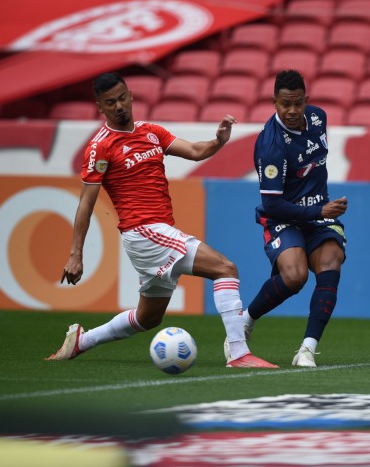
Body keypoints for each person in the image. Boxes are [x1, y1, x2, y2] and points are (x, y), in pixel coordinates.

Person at [47, 72, 277, 369]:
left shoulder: (151, 132)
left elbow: (195, 151)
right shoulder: (100, 147)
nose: (118, 106)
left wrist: (218, 141)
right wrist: (75, 254)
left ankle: (82, 340)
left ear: (130, 95)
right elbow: (86, 204)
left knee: (148, 318)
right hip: (144, 231)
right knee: (225, 268)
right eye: (110, 102)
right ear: (100, 107)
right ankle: (238, 353)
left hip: (154, 233)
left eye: (122, 98)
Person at [227, 69, 347, 367]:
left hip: (319, 212)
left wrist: (320, 208)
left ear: (306, 100)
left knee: (332, 261)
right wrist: (320, 211)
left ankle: (307, 349)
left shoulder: (319, 117)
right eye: (285, 104)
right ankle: (246, 320)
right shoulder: (270, 146)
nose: (292, 111)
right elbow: (272, 204)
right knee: (295, 276)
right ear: (274, 103)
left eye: (297, 103)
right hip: (283, 216)